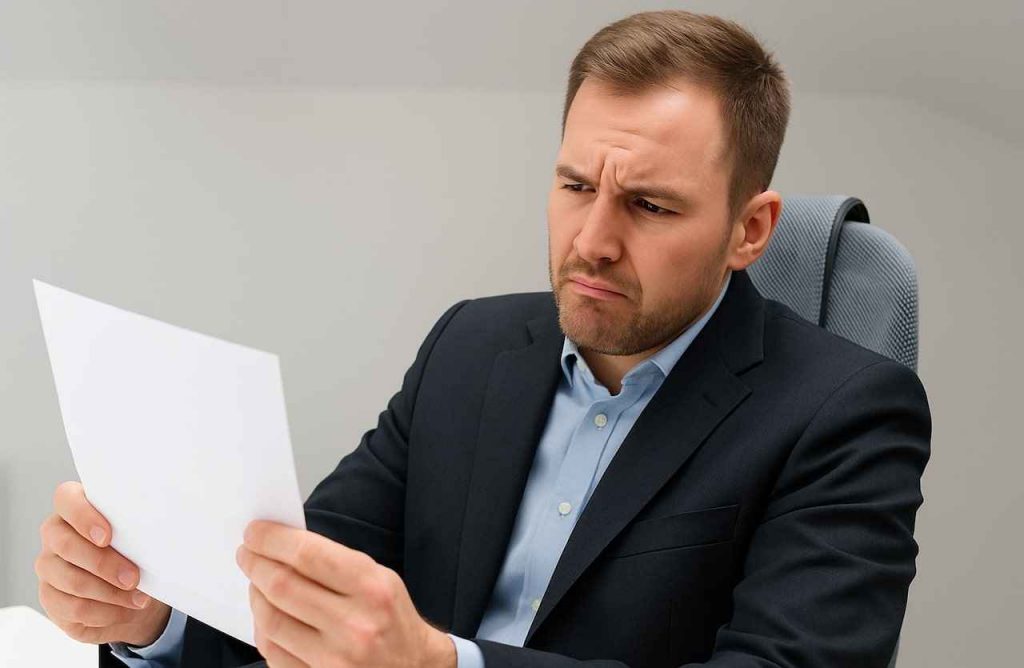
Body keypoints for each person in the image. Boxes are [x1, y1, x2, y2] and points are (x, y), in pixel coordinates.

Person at [35, 9, 931, 668]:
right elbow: (308, 594)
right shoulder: (471, 345)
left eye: (650, 205)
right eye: (576, 186)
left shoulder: (847, 411)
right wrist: (154, 617)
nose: (592, 241)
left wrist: (441, 665)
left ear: (751, 229)